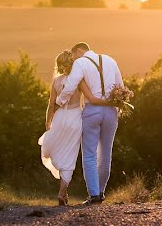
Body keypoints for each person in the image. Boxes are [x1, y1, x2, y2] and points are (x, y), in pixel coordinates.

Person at [57, 42, 123, 205]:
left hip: (92, 111)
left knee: (89, 154)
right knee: (106, 154)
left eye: (72, 55)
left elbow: (70, 86)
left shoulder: (80, 62)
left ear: (78, 51)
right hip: (111, 111)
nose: (72, 59)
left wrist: (59, 101)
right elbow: (121, 87)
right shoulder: (110, 60)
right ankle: (101, 192)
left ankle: (94, 195)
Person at [38, 50, 108, 205]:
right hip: (75, 119)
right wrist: (109, 102)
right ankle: (62, 192)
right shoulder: (78, 80)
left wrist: (48, 122)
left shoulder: (56, 82)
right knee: (70, 157)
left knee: (56, 151)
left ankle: (63, 192)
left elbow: (51, 105)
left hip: (60, 118)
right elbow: (90, 97)